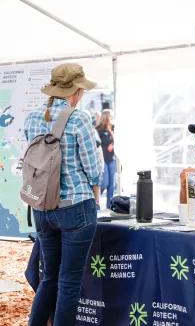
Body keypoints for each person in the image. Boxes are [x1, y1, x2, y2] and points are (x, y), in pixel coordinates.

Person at [24, 63, 102, 326]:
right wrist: (96, 191)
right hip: (75, 207)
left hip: (42, 207)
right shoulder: (78, 118)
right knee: (69, 281)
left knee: (50, 277)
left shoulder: (33, 118)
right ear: (77, 91)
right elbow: (93, 169)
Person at [96, 109, 116, 209]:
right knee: (105, 183)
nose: (112, 119)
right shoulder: (98, 130)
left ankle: (110, 206)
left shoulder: (113, 129)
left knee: (112, 185)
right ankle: (97, 200)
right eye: (110, 117)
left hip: (112, 159)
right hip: (103, 161)